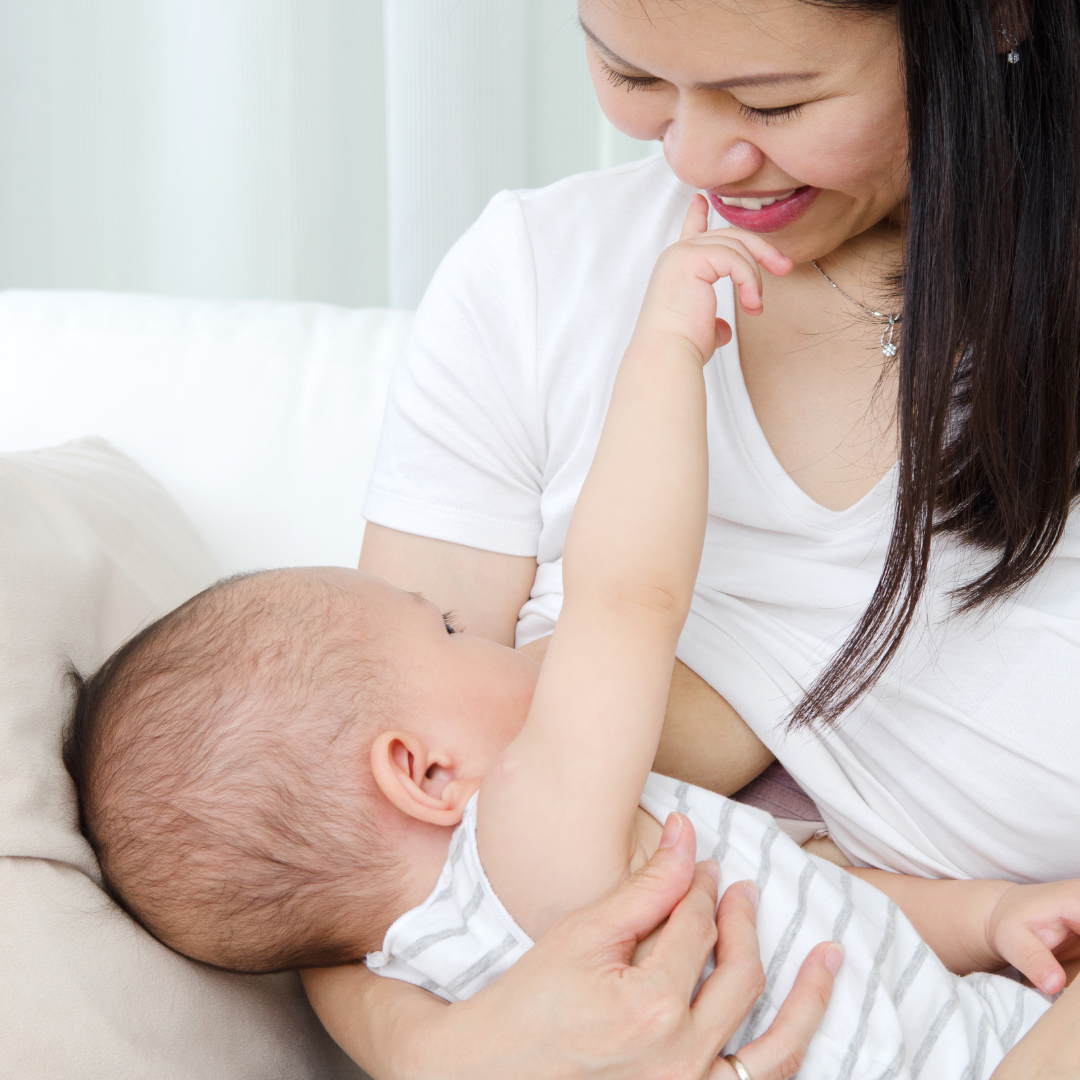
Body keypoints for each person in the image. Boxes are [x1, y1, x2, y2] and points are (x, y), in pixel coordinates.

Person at [65, 201, 1076, 1079]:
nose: (497, 638)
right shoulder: (538, 829)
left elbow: (814, 903)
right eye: (453, 632)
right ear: (421, 770)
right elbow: (628, 594)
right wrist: (664, 350)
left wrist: (987, 920)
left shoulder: (441, 964)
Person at [303, 0, 1080, 1074]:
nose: (696, 156)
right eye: (631, 77)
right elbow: (334, 809)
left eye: (777, 101)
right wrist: (451, 1053)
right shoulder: (536, 281)